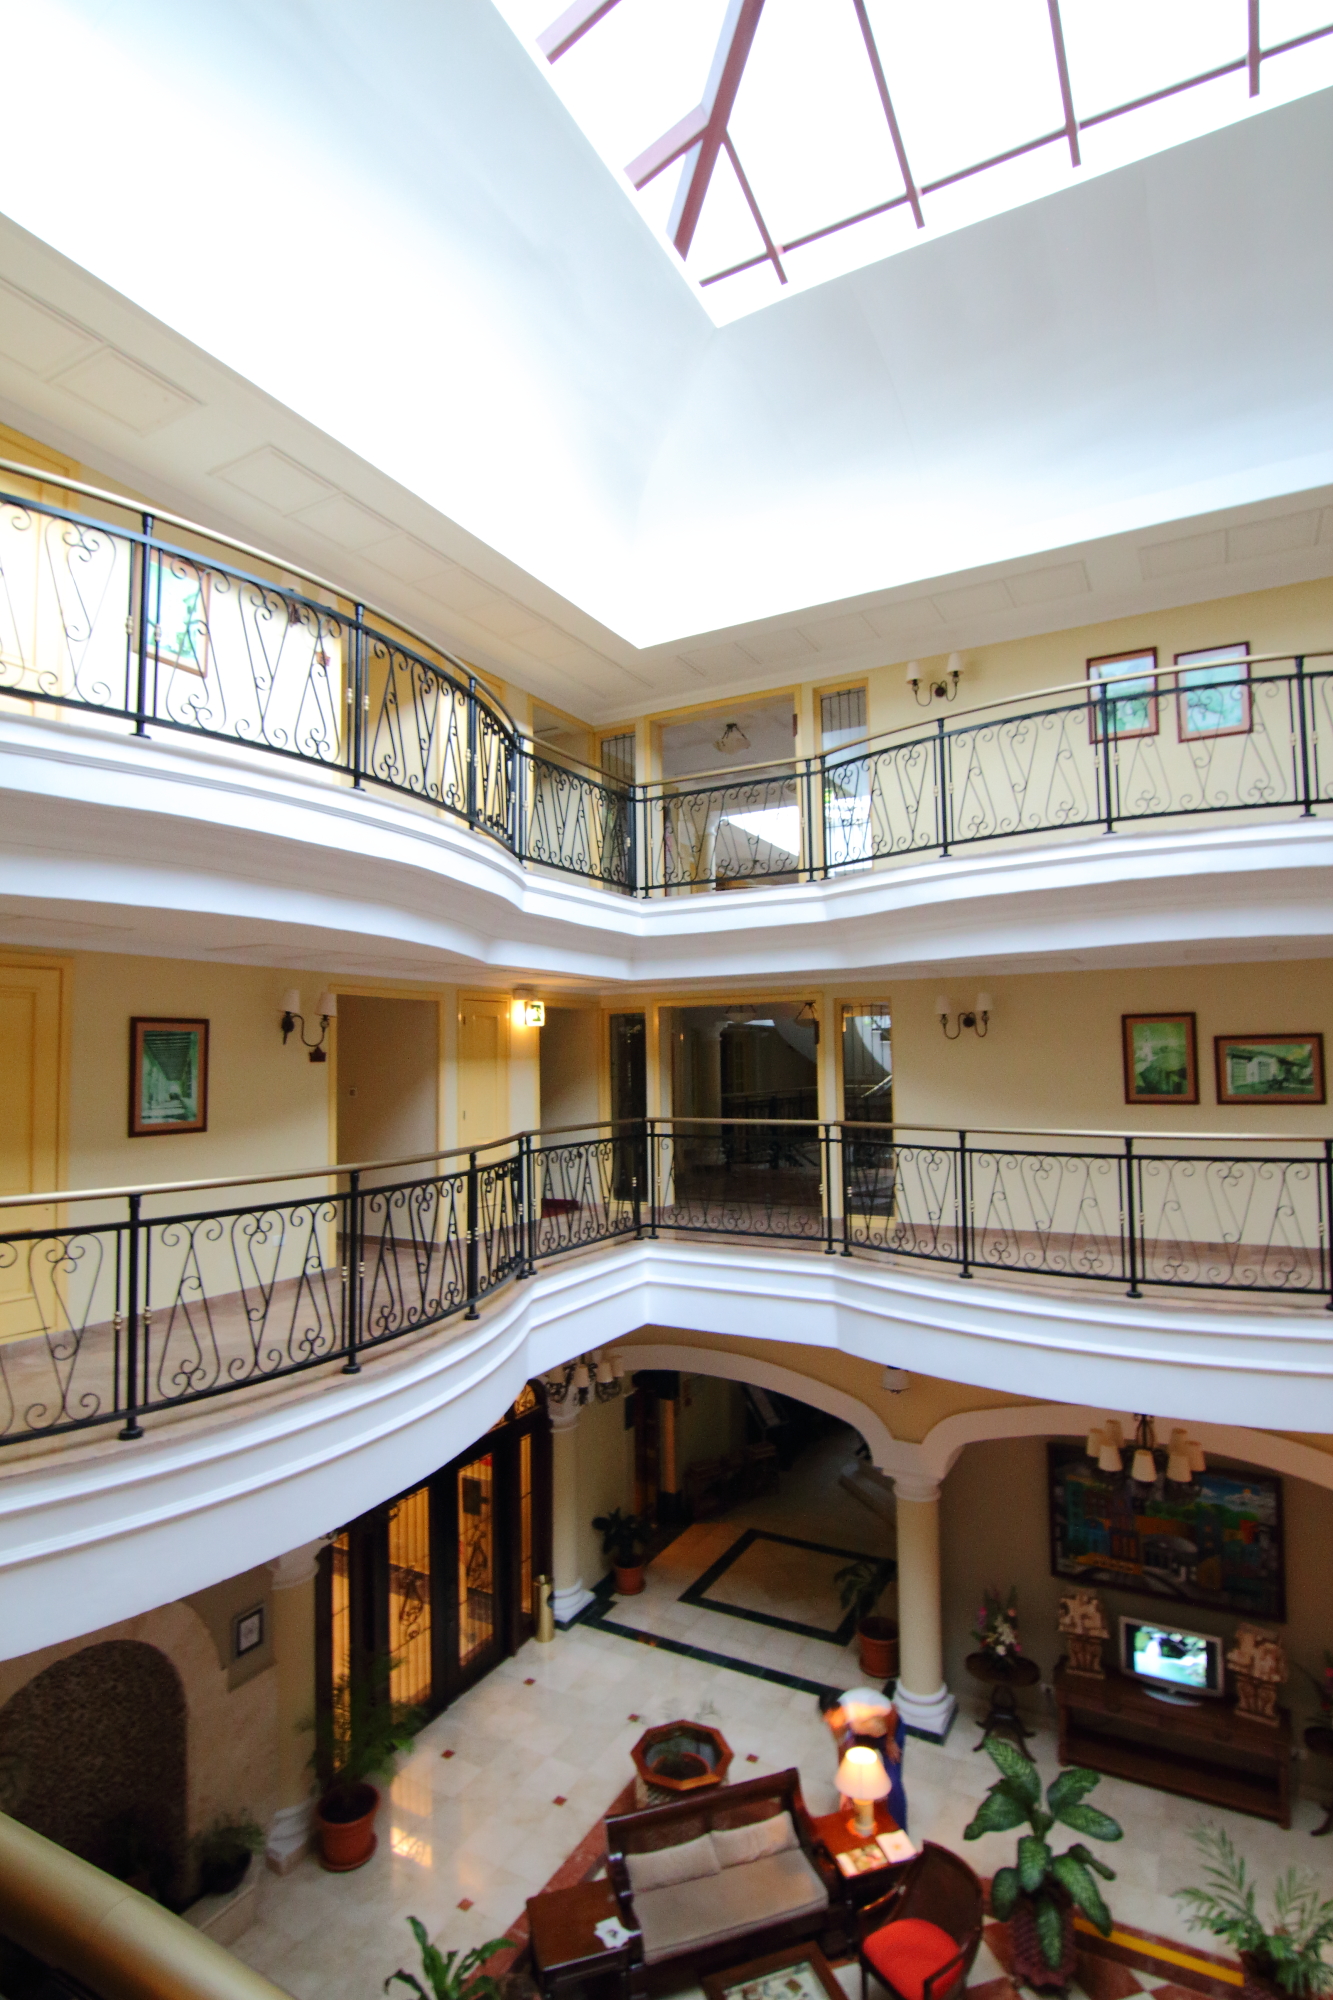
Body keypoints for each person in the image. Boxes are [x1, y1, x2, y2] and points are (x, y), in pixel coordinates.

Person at [819, 1684, 908, 1832]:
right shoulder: (836, 1724)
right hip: (863, 1735)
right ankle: (861, 1816)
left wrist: (890, 1741)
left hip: (889, 1730)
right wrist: (845, 1792)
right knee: (856, 1774)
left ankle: (899, 1829)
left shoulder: (862, 1705)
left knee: (893, 1782)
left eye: (830, 1719)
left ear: (834, 1711)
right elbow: (842, 1751)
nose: (830, 1725)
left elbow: (892, 1710)